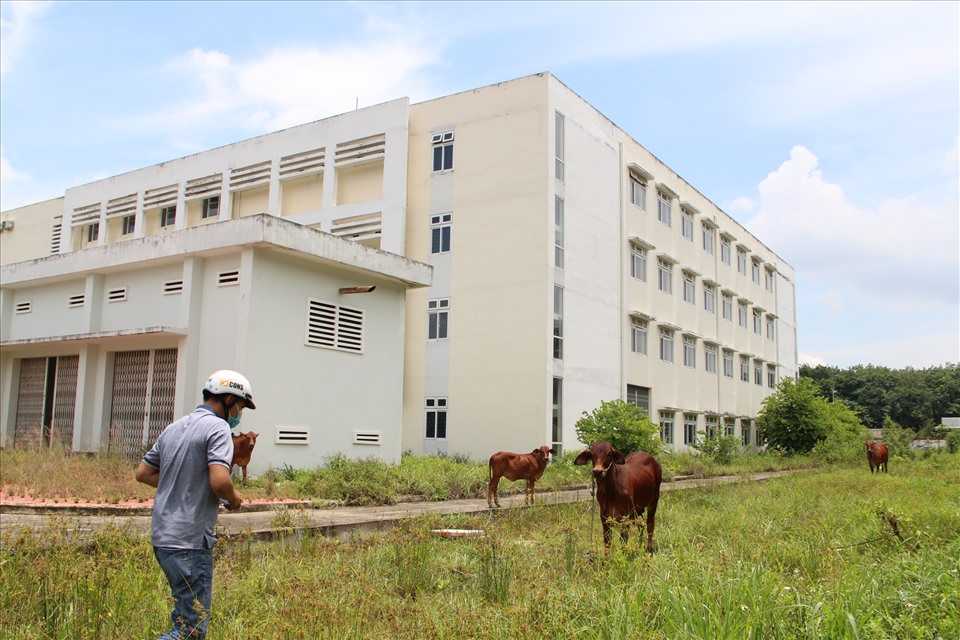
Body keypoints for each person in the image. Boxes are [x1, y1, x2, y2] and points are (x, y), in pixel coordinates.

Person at [135, 369, 256, 640]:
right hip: (190, 542)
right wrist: (233, 499)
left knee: (185, 619)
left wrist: (183, 484)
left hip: (163, 539)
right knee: (190, 630)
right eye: (240, 406)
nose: (240, 414)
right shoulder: (218, 429)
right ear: (228, 400)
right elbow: (220, 480)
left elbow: (143, 473)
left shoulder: (174, 428)